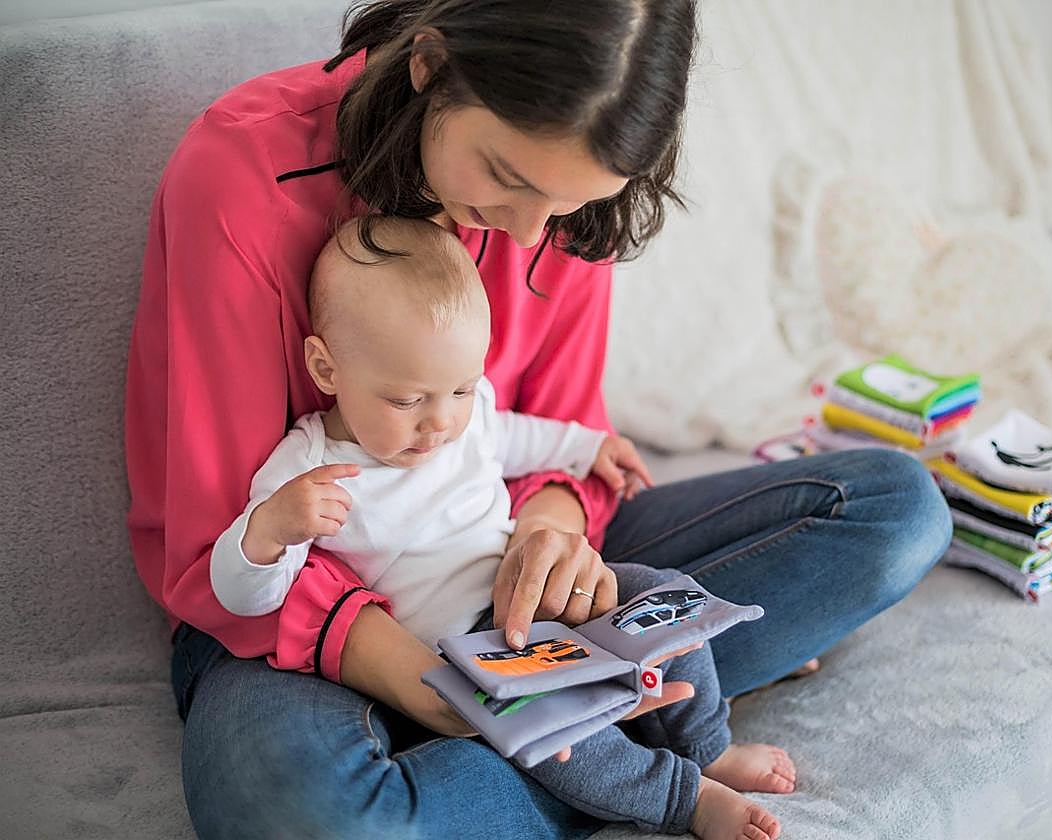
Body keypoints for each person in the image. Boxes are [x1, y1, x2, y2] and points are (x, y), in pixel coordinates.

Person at [124, 1, 952, 836]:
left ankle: (573, 729)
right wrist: (421, 679)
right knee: (311, 819)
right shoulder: (240, 177)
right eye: (508, 178)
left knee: (897, 511)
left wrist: (550, 539)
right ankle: (612, 744)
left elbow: (558, 435)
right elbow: (224, 542)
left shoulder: (563, 204)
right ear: (430, 62)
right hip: (289, 617)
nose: (530, 232)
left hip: (504, 581)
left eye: (566, 205)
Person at [207, 215, 795, 837]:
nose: (440, 424)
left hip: (537, 589)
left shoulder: (464, 412)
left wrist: (586, 447)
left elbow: (514, 435)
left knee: (665, 595)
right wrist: (270, 530)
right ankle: (683, 797)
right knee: (557, 732)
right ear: (327, 370)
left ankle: (707, 745)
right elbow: (243, 597)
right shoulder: (310, 465)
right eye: (406, 401)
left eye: (460, 390)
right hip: (471, 648)